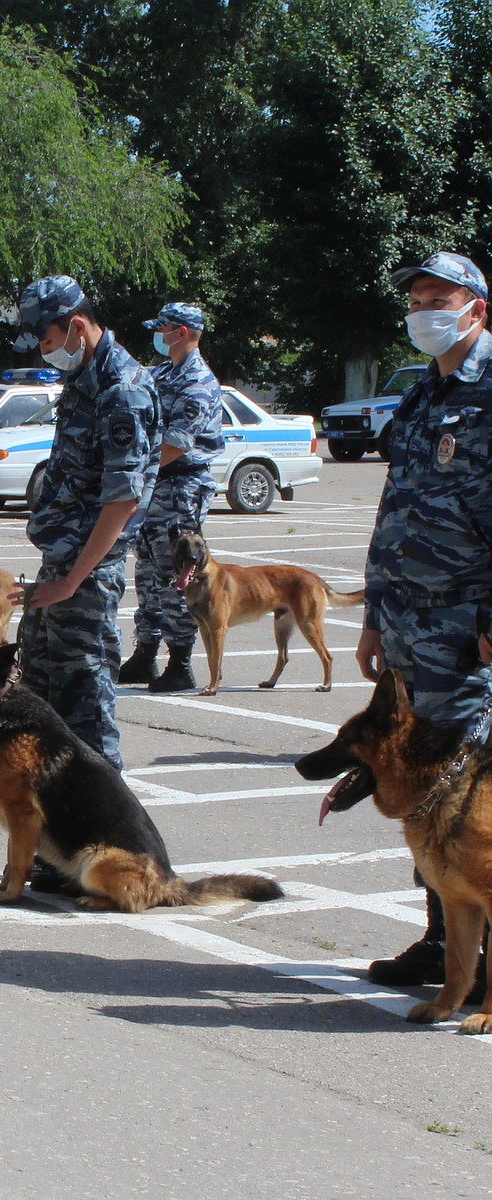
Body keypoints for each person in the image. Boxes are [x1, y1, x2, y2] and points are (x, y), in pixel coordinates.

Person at [357, 251, 492, 990]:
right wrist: (374, 617)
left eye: (438, 296)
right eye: (415, 298)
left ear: (478, 305)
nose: (423, 310)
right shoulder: (421, 397)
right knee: (427, 788)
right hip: (410, 628)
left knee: (467, 791)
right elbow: (393, 513)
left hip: (468, 627)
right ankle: (444, 938)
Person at [9, 275, 162, 772]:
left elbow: (121, 501)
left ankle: (105, 839)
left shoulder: (124, 392)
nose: (45, 352)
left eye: (48, 341)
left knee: (87, 718)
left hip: (88, 577)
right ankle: (53, 843)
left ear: (77, 326)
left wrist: (71, 582)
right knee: (41, 706)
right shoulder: (85, 379)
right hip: (62, 565)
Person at [119, 303, 224, 692]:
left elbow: (177, 444)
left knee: (177, 573)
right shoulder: (163, 372)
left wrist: (140, 469)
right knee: (148, 569)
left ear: (180, 332)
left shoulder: (198, 381)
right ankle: (145, 653)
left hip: (181, 485)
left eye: (162, 330)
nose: (157, 336)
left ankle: (180, 661)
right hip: (156, 484)